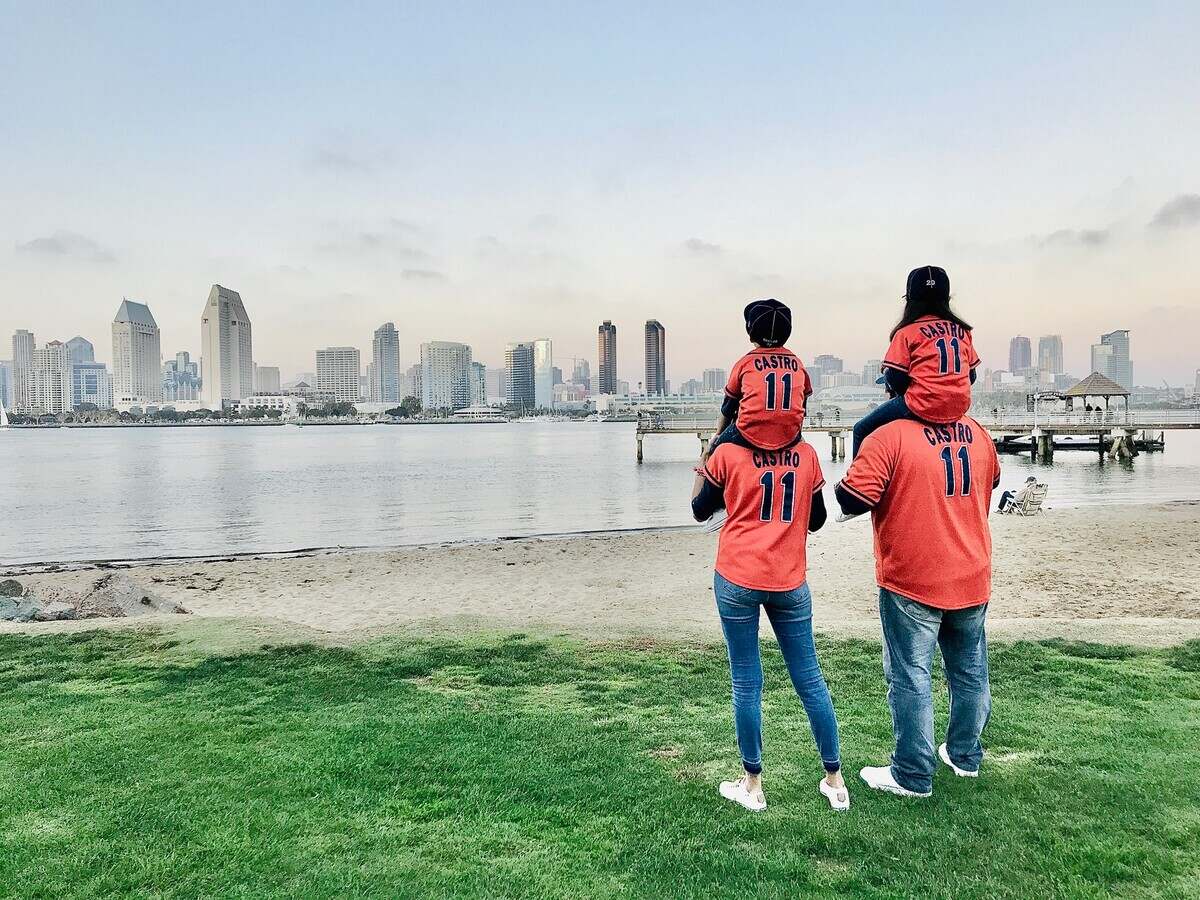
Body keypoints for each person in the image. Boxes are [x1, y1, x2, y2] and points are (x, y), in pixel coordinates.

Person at [835, 414, 1000, 798]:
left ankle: (912, 772)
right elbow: (990, 482)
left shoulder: (888, 436)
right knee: (970, 672)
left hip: (913, 578)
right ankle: (964, 755)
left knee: (910, 676)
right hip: (972, 571)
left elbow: (849, 499)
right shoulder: (978, 432)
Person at [692, 431, 848, 812]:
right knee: (810, 678)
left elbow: (699, 509)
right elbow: (818, 520)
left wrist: (707, 453)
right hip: (789, 580)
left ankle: (753, 784)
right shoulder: (808, 455)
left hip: (737, 577)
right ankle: (835, 781)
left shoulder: (728, 453)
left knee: (746, 680)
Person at [851, 266, 979, 457]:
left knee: (861, 429)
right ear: (947, 299)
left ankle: (856, 480)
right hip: (958, 407)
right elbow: (971, 376)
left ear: (909, 300)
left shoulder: (907, 332)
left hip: (921, 405)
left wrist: (891, 376)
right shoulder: (962, 331)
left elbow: (896, 378)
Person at [704, 299, 813, 459]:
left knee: (710, 457)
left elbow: (728, 408)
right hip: (789, 435)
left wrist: (718, 436)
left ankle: (703, 481)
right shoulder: (798, 363)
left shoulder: (745, 363)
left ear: (750, 333)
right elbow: (801, 408)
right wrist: (796, 436)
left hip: (749, 434)